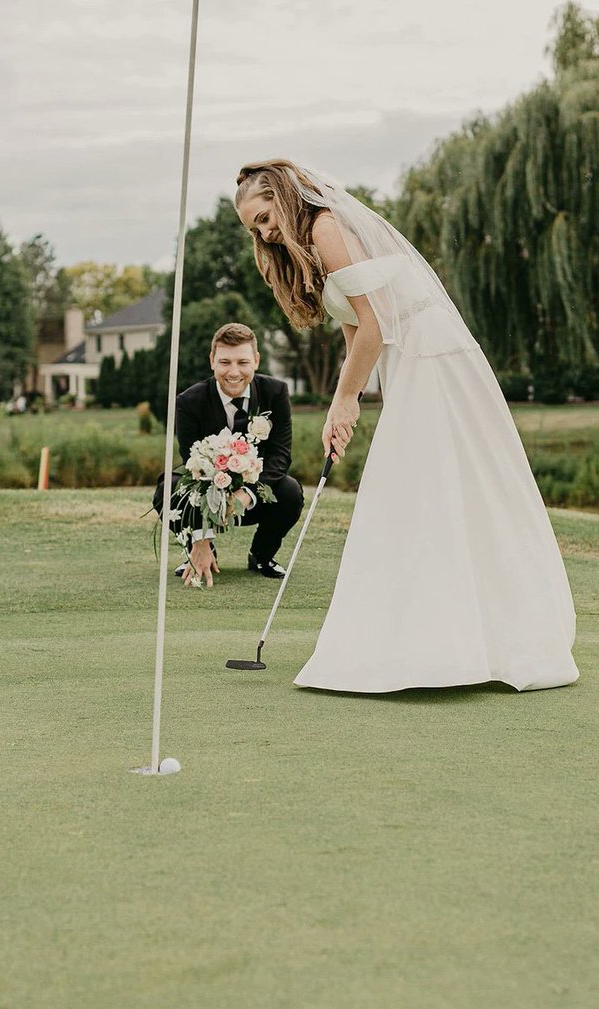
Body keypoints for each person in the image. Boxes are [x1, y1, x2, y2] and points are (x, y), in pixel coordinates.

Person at [234, 159, 579, 692]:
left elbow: (376, 324)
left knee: (431, 486)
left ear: (280, 193)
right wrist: (341, 404)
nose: (263, 232)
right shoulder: (313, 238)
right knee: (423, 489)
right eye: (253, 228)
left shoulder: (325, 226)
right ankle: (437, 637)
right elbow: (356, 329)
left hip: (430, 356)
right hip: (412, 361)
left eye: (263, 216)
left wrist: (348, 397)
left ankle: (464, 642)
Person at [153, 322, 303, 588]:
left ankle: (261, 556)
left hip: (255, 497)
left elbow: (280, 455)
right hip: (207, 493)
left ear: (256, 361)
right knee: (168, 489)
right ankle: (201, 551)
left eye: (242, 362)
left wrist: (246, 494)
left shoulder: (276, 392)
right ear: (212, 361)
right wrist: (200, 539)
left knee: (290, 491)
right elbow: (192, 462)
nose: (234, 372)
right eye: (225, 362)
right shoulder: (188, 402)